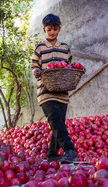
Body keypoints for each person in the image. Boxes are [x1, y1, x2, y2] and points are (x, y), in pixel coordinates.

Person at [31, 13, 78, 163]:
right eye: (49, 29)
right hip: (45, 91)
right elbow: (34, 66)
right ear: (44, 30)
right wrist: (36, 72)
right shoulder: (40, 48)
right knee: (55, 118)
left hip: (62, 93)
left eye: (55, 29)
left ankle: (52, 154)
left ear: (59, 29)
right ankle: (69, 150)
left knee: (58, 123)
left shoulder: (65, 48)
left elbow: (70, 66)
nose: (52, 32)